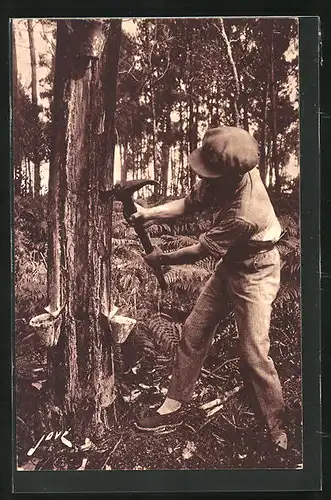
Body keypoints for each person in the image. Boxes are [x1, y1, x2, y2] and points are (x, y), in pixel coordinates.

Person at [130, 126, 288, 450]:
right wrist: (148, 213)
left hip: (256, 273)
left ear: (229, 174)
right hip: (230, 265)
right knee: (193, 330)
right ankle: (173, 405)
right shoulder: (223, 175)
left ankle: (279, 430)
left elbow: (199, 251)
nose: (205, 176)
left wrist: (163, 259)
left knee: (254, 353)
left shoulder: (244, 212)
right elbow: (188, 203)